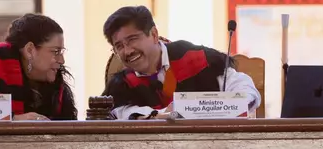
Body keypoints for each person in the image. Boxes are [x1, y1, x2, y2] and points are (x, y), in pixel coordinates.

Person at [102, 6, 261, 120]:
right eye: (119, 46)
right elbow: (121, 113)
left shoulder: (195, 58)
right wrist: (166, 113)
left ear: (154, 35)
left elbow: (243, 88)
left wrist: (220, 106)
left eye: (132, 39)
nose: (127, 51)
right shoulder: (123, 85)